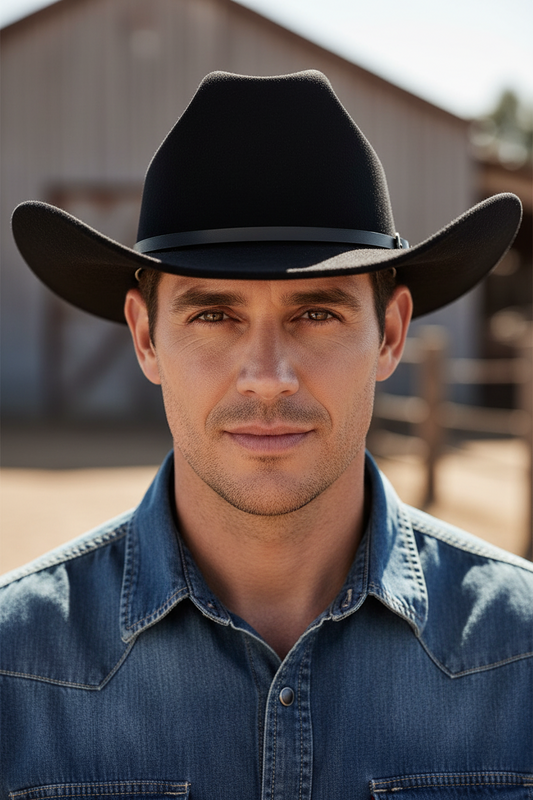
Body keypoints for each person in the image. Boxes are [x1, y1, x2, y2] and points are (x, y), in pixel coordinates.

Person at [1, 70, 532, 798]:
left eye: (316, 314)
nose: (267, 377)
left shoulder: (521, 653)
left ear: (391, 333)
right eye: (213, 316)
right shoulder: (14, 665)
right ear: (145, 337)